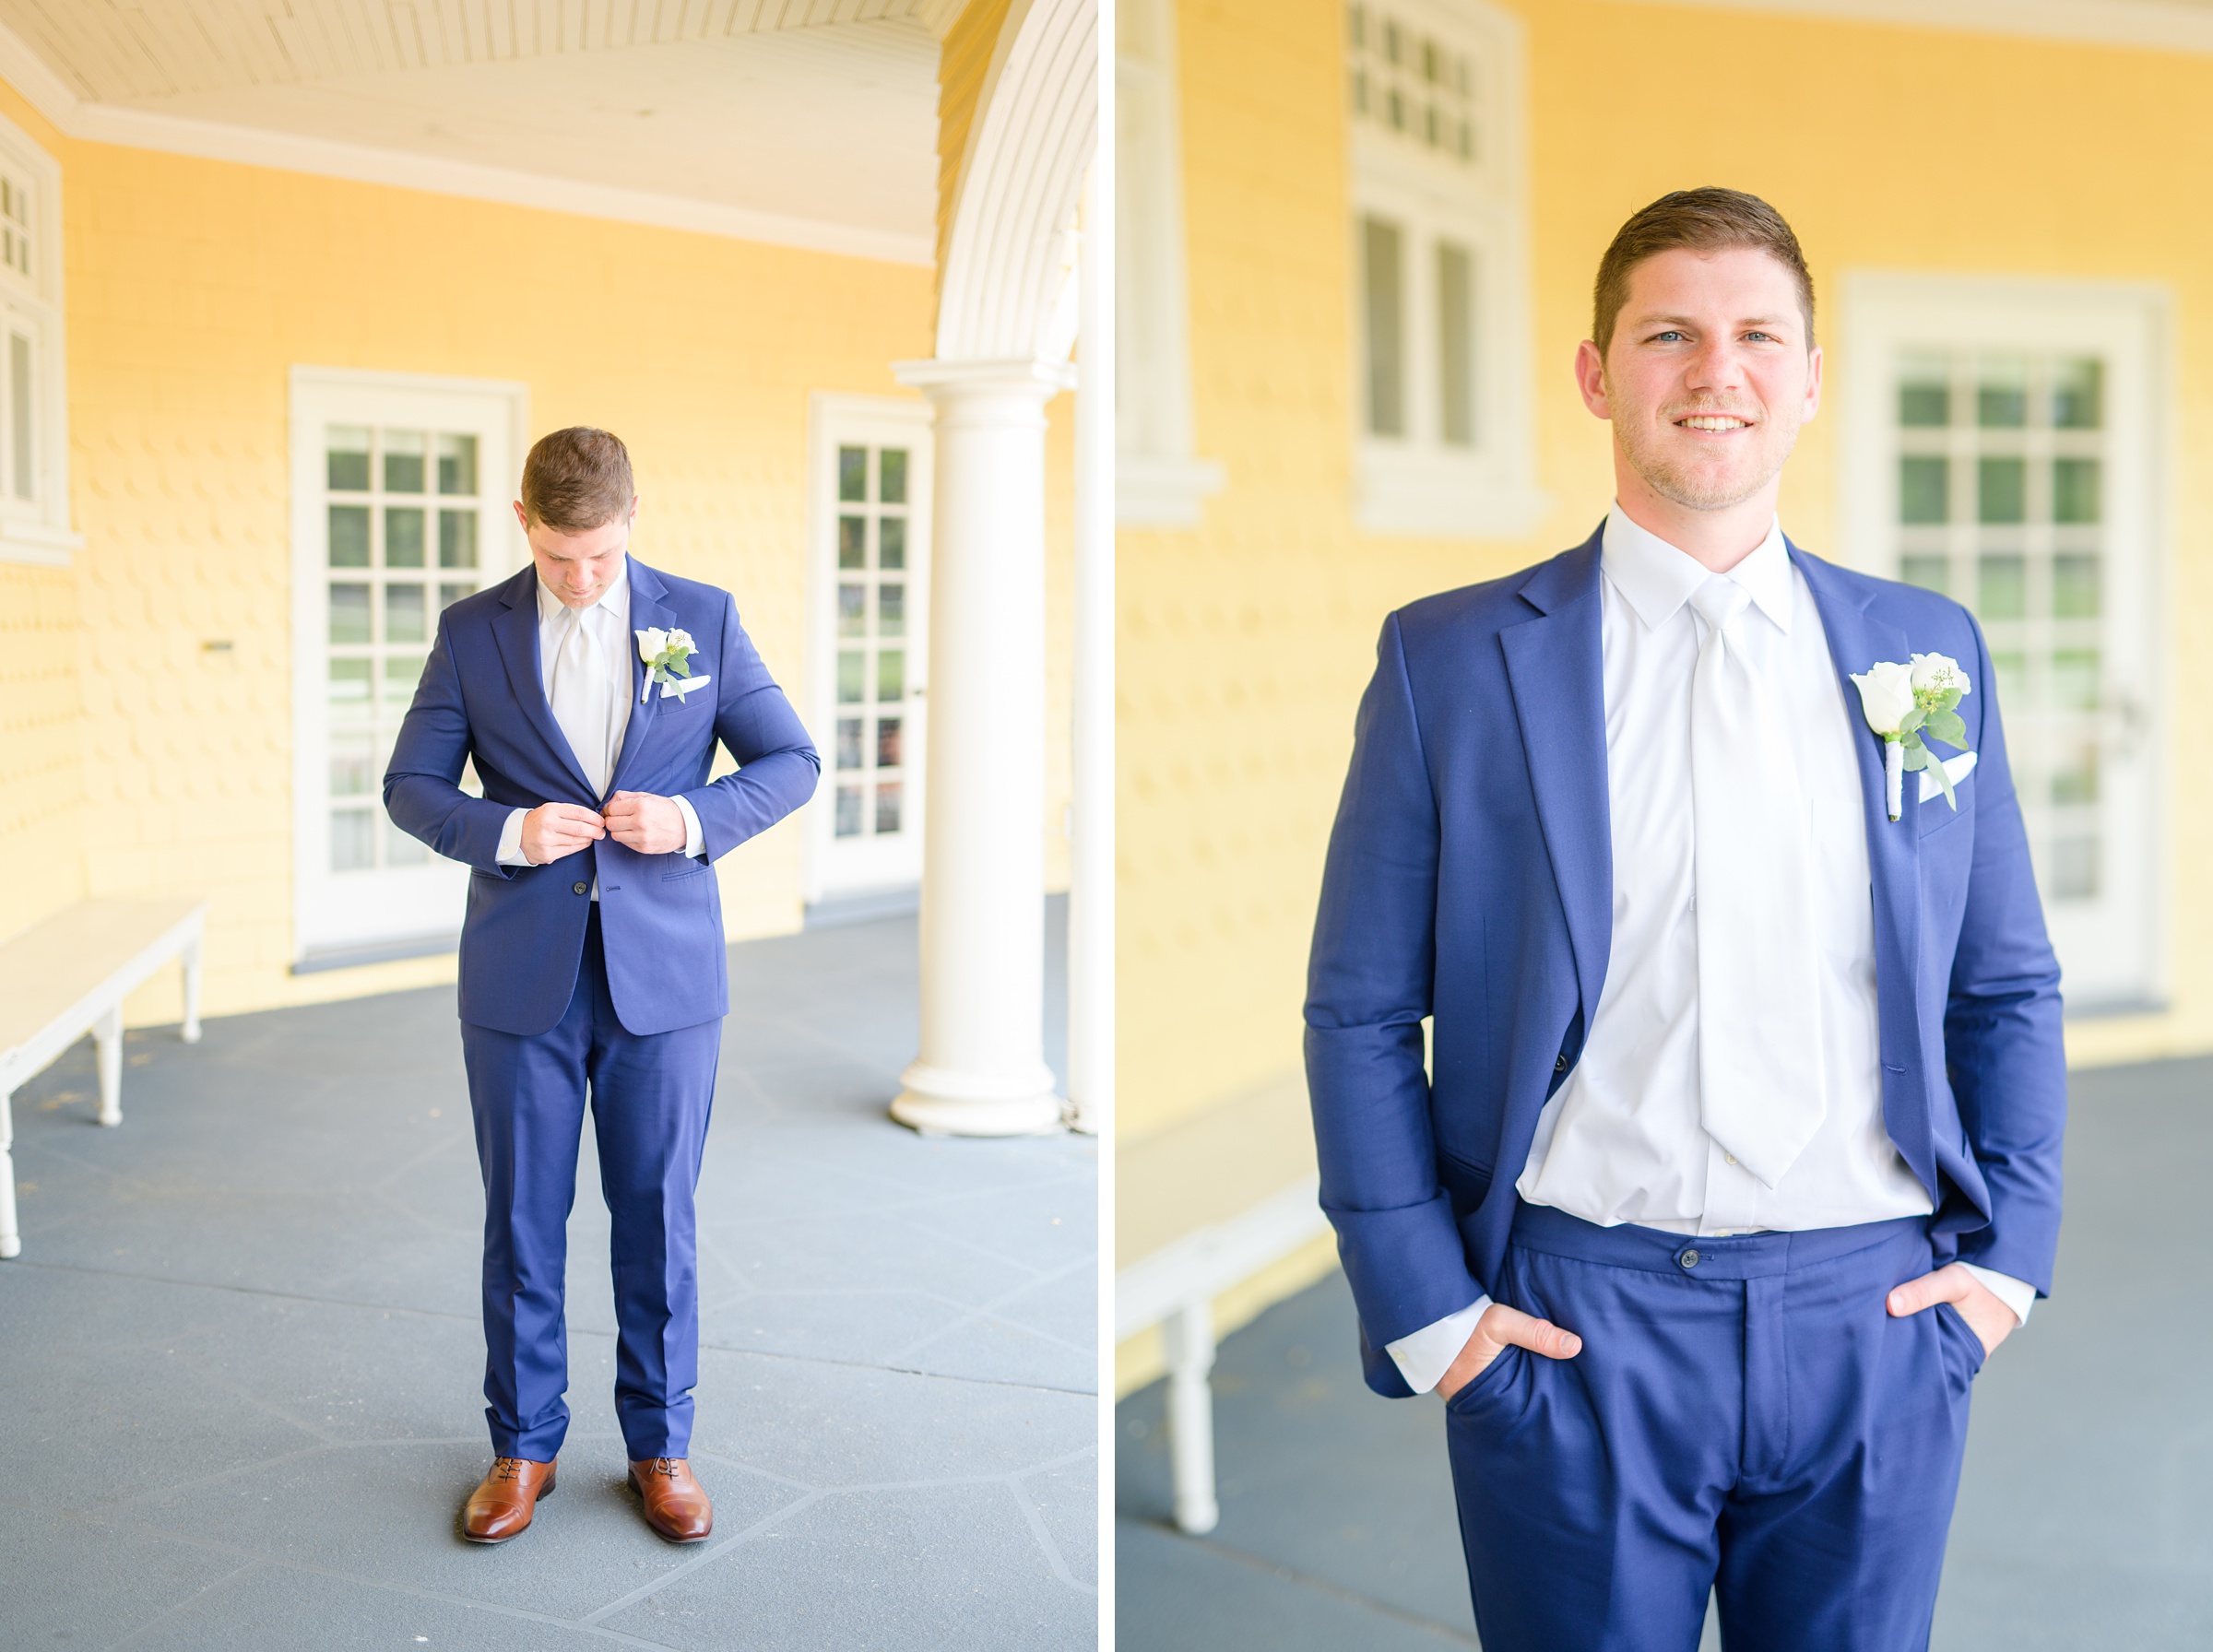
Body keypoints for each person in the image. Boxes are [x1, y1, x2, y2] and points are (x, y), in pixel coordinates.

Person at [1303, 189, 2065, 1650]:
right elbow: (1357, 1008)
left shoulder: (1926, 653)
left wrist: (2006, 1268)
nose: (1717, 371)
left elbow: (2004, 982)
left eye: (1757, 337)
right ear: (1598, 374)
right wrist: (1430, 1313)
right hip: (1578, 1325)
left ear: (1810, 381)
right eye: (1670, 333)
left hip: (1880, 1316)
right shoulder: (1448, 660)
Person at [385, 427, 819, 1545]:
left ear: (633, 519)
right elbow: (411, 786)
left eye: (602, 556)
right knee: (523, 1220)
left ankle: (659, 1447)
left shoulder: (703, 616)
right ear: (523, 521)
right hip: (520, 978)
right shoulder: (470, 633)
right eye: (562, 556)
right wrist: (510, 830)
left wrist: (689, 819)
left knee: (656, 1214)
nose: (582, 580)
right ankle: (522, 1446)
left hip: (665, 980)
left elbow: (791, 761)